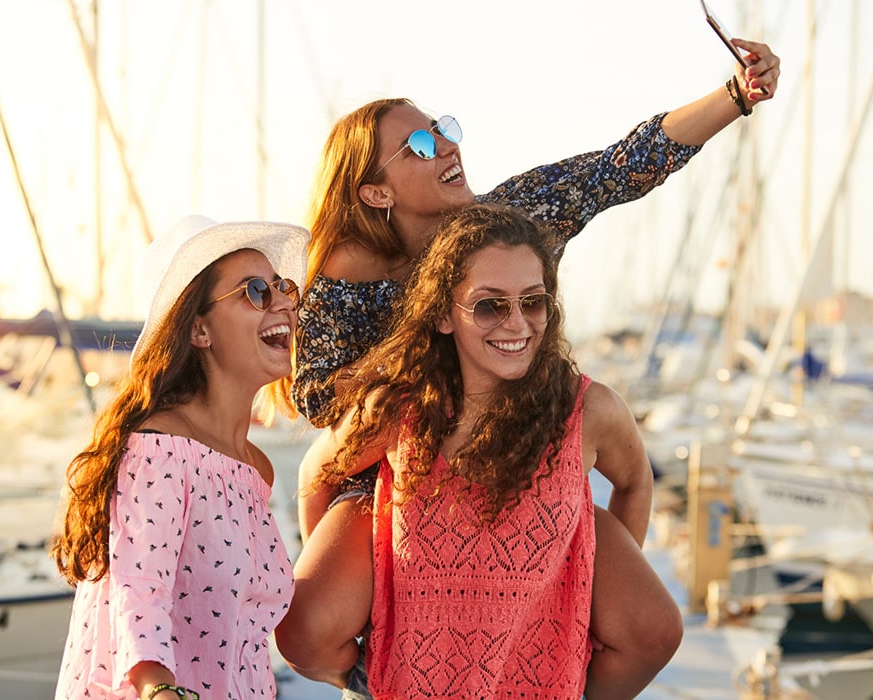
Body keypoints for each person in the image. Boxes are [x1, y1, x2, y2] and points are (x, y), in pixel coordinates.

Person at [274, 36, 780, 699]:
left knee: (651, 625)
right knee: (307, 630)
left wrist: (737, 95)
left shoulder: (511, 220)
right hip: (398, 480)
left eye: (444, 131)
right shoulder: (342, 284)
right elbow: (318, 409)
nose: (448, 146)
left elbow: (618, 167)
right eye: (421, 147)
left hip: (522, 458)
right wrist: (412, 367)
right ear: (374, 192)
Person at [287, 203, 658, 697]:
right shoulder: (400, 407)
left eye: (533, 301)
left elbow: (634, 480)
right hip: (408, 674)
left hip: (540, 673)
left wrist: (595, 576)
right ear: (443, 314)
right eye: (490, 305)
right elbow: (317, 475)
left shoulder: (588, 411)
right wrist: (347, 557)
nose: (517, 323)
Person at [51, 215, 309, 700]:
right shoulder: (157, 450)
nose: (281, 303)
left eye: (282, 287)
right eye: (255, 290)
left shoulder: (255, 469)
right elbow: (139, 592)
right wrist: (157, 690)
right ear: (199, 331)